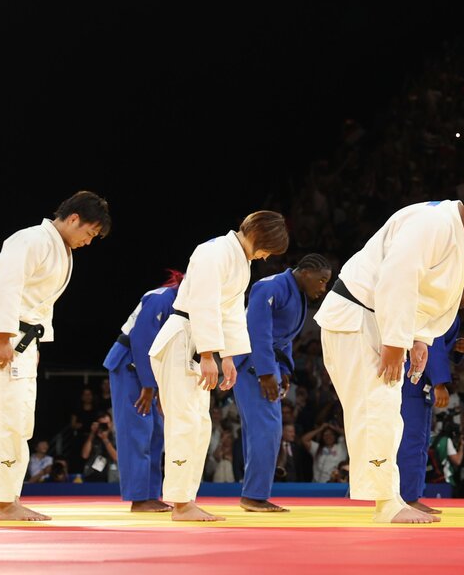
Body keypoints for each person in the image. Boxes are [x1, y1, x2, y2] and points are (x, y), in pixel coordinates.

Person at [315, 199, 464, 524]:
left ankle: (388, 498)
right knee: (376, 408)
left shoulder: (447, 232)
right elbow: (398, 275)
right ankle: (386, 503)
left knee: (383, 411)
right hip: (361, 320)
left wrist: (420, 339)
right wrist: (396, 342)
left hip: (375, 322)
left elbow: (422, 294)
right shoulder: (434, 222)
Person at [0, 191, 110, 522]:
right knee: (8, 420)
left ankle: (10, 498)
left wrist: (33, 346)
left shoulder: (58, 248)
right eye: (89, 233)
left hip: (24, 341)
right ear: (74, 219)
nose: (88, 242)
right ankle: (4, 504)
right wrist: (3, 336)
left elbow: (38, 306)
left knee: (19, 422)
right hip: (6, 339)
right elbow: (5, 285)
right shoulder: (30, 239)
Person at [150, 211, 288, 521]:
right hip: (185, 338)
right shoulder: (214, 252)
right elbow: (204, 303)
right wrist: (209, 354)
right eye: (268, 249)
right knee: (185, 422)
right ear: (258, 238)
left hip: (200, 343)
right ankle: (181, 505)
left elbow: (232, 312)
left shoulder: (240, 261)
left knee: (200, 425)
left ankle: (186, 500)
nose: (266, 257)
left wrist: (228, 357)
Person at [235, 254, 333, 512]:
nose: (323, 288)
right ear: (306, 272)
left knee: (261, 430)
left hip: (266, 364)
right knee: (267, 429)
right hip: (253, 365)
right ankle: (254, 496)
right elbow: (258, 331)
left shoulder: (294, 292)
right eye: (321, 280)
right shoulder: (271, 286)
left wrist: (284, 369)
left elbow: (284, 338)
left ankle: (252, 493)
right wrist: (266, 372)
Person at [399, 268, 464, 515]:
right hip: (412, 380)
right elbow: (429, 346)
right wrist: (439, 383)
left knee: (421, 441)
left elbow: (439, 349)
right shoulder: (438, 307)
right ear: (458, 286)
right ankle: (405, 498)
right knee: (410, 441)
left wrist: (455, 350)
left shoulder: (450, 315)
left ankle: (411, 495)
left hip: (420, 382)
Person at [103, 269, 183, 512]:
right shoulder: (161, 298)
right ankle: (138, 498)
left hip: (152, 370)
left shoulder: (182, 303)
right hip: (130, 365)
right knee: (137, 431)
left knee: (156, 432)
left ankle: (150, 493)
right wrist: (148, 386)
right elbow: (141, 340)